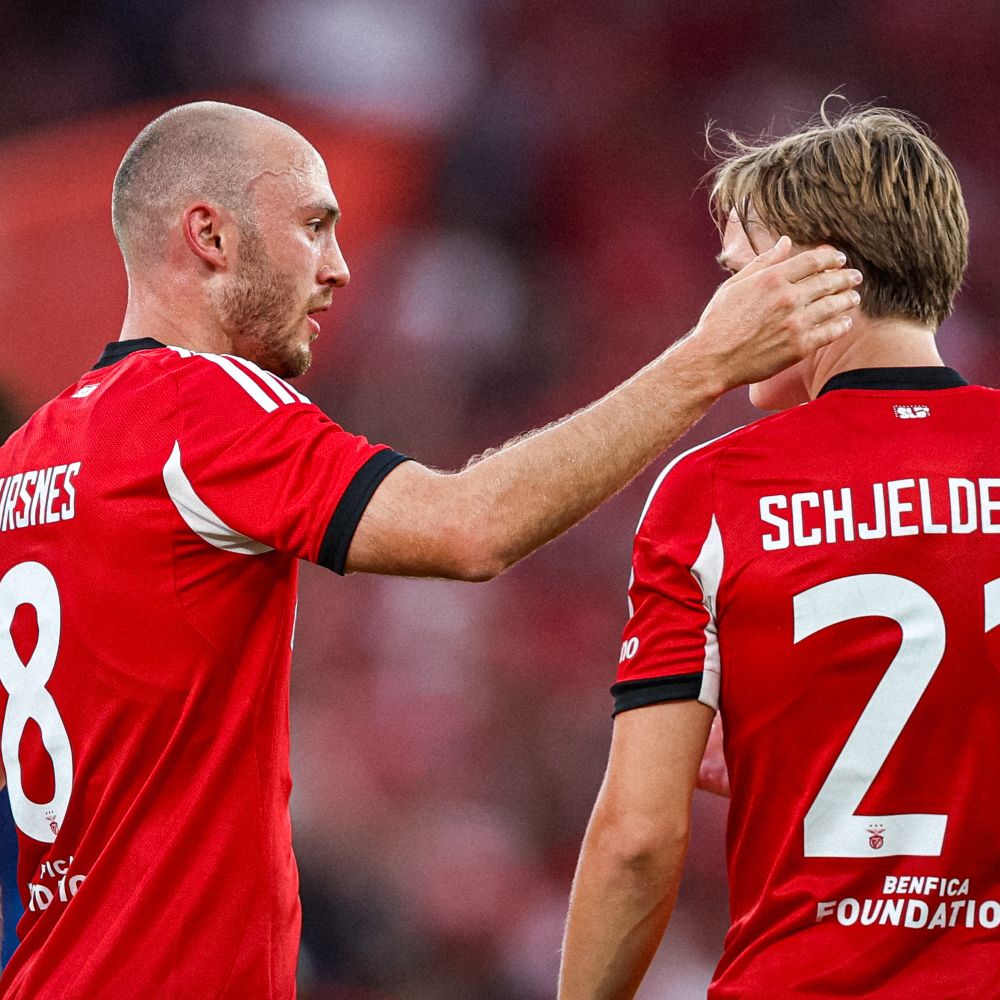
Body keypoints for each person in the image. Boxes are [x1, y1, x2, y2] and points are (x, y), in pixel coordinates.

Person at [0, 100, 857, 999]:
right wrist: (707, 361)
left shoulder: (32, 454)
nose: (338, 268)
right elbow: (469, 529)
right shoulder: (199, 408)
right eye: (312, 227)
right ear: (209, 235)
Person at [556, 105, 994, 998]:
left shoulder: (715, 491)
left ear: (806, 276)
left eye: (735, 272)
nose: (718, 304)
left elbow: (638, 838)